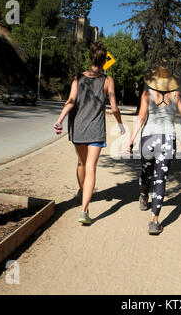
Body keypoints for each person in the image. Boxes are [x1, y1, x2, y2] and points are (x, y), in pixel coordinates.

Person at [54, 41, 125, 225]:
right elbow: (115, 107)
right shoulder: (108, 80)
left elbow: (70, 101)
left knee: (81, 163)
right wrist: (120, 124)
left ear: (90, 58)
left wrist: (60, 120)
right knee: (91, 167)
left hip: (77, 127)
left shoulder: (78, 78)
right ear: (104, 61)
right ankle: (84, 211)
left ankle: (83, 193)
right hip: (95, 129)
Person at [125, 65, 181, 235]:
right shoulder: (177, 95)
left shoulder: (147, 93)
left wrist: (131, 140)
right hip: (168, 140)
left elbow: (141, 118)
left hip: (148, 138)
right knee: (160, 178)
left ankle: (143, 196)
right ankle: (154, 221)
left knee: (145, 170)